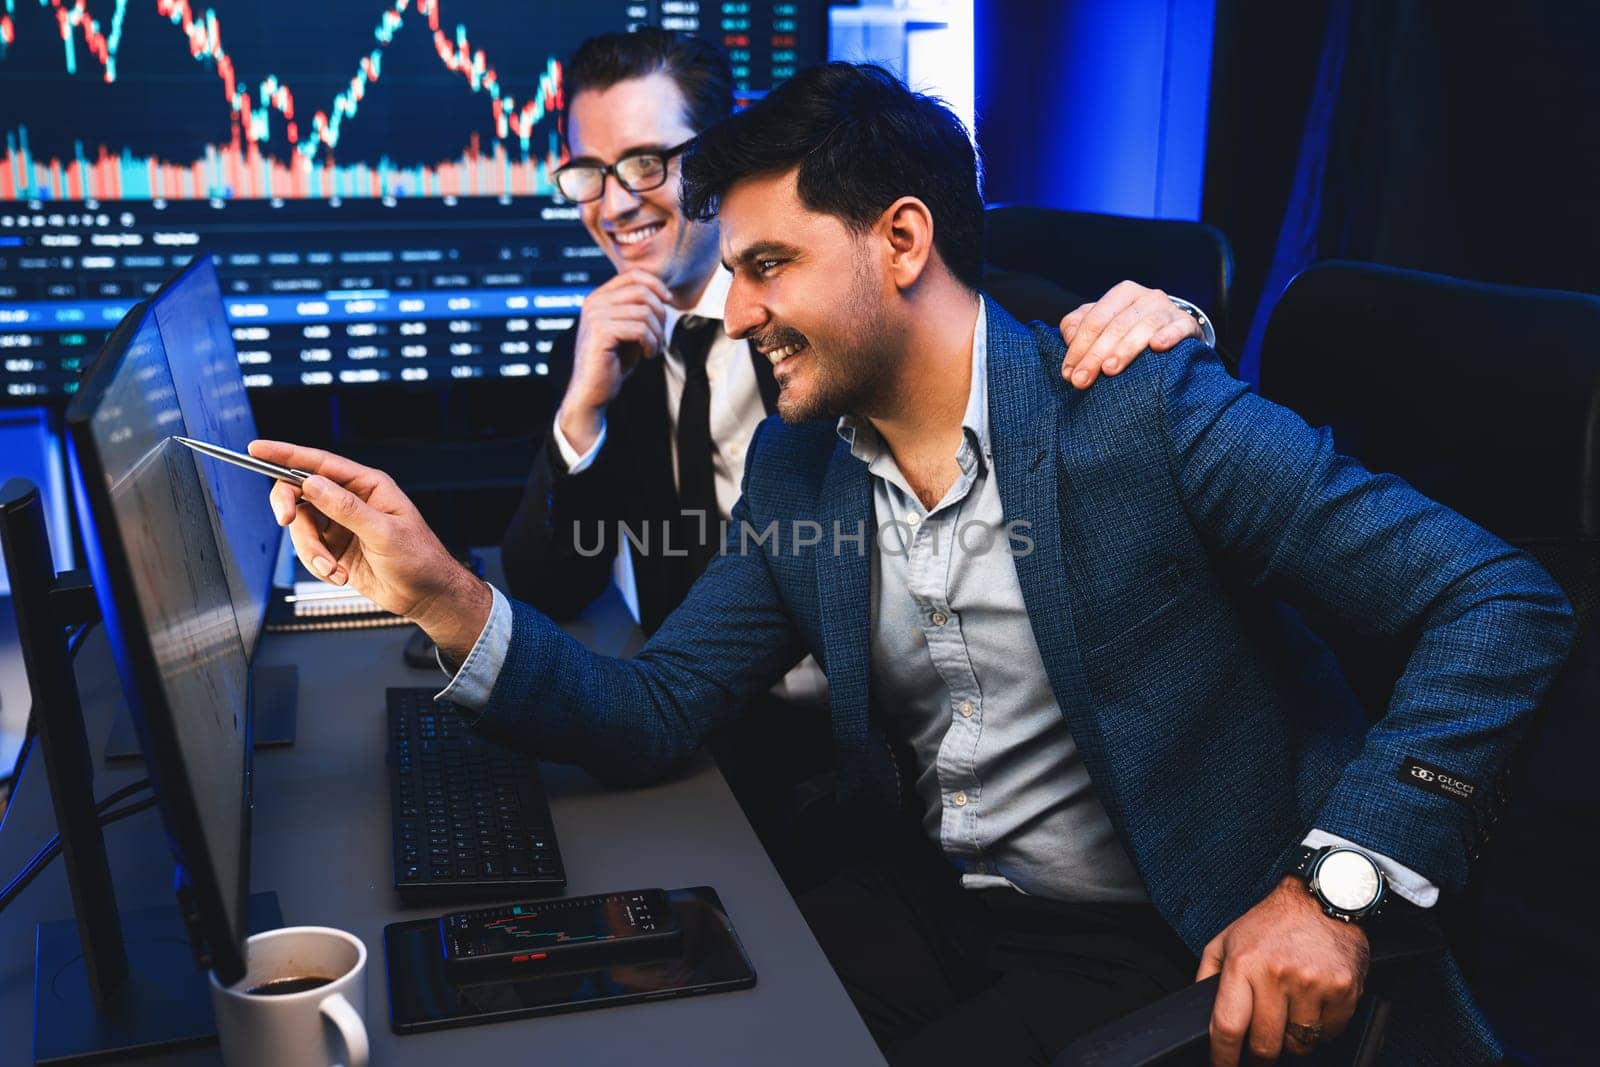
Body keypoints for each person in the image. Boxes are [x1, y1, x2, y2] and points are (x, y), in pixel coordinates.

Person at [250, 63, 1574, 1067]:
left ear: (899, 239)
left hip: (1169, 945)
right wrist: (436, 591)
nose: (743, 309)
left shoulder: (1142, 409)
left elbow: (1499, 598)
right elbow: (655, 705)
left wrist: (1335, 884)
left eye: (770, 265)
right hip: (935, 908)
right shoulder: (801, 470)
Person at [500, 30, 1209, 633]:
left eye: (646, 163)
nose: (616, 203)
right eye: (588, 172)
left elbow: (1013, 316)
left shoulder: (852, 293)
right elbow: (550, 591)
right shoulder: (601, 348)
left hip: (884, 717)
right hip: (712, 721)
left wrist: (1179, 322)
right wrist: (578, 416)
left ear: (717, 153)